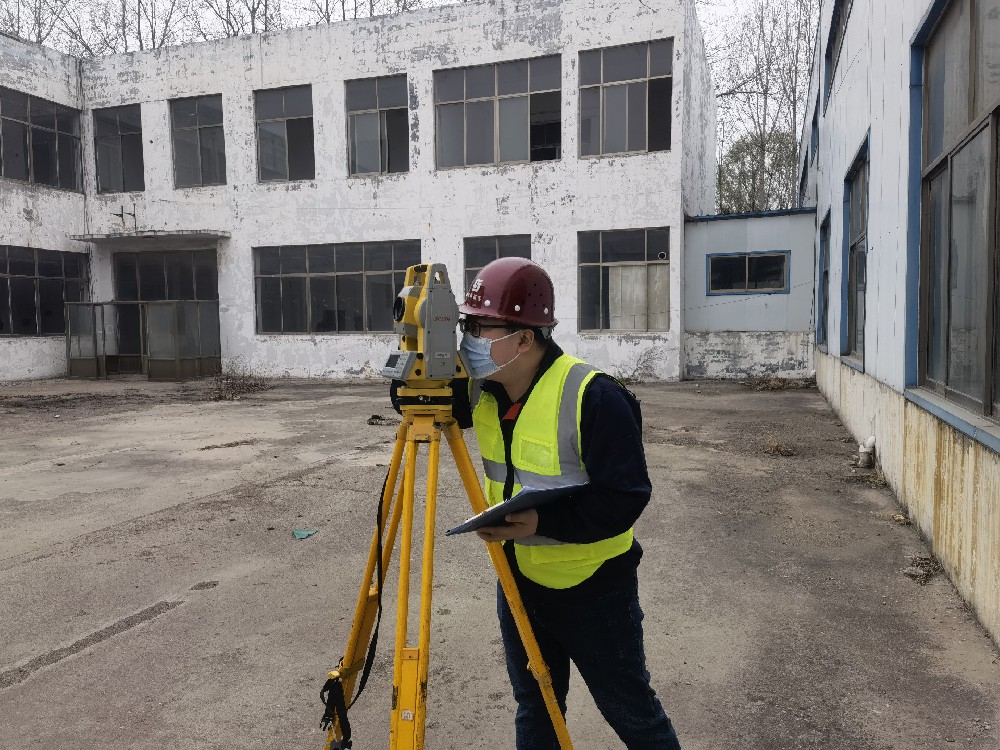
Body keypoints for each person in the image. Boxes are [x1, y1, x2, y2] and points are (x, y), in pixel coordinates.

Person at [454, 257, 682, 750]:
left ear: (524, 338)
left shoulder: (594, 396)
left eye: (480, 328)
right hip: (518, 580)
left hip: (594, 590)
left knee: (633, 713)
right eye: (466, 326)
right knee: (536, 706)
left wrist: (540, 521)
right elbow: (411, 399)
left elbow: (625, 498)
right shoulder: (484, 391)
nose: (469, 340)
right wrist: (414, 352)